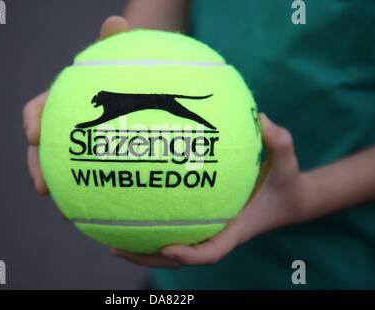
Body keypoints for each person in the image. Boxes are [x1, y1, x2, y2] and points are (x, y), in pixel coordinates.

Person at [23, 0, 375, 289]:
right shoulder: (111, 103)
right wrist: (113, 59)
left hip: (332, 267)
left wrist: (305, 196)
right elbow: (156, 15)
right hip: (182, 278)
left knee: (184, 114)